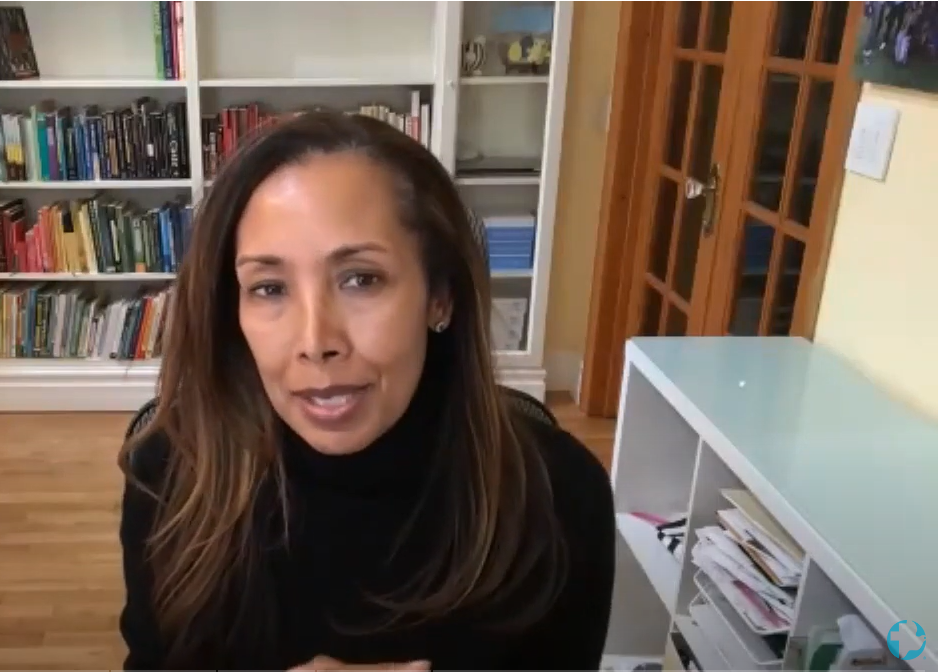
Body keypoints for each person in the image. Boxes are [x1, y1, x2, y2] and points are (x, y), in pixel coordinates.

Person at [117, 111, 615, 670]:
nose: (315, 341)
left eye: (361, 279)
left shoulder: (560, 497)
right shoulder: (171, 474)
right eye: (270, 287)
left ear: (440, 297)